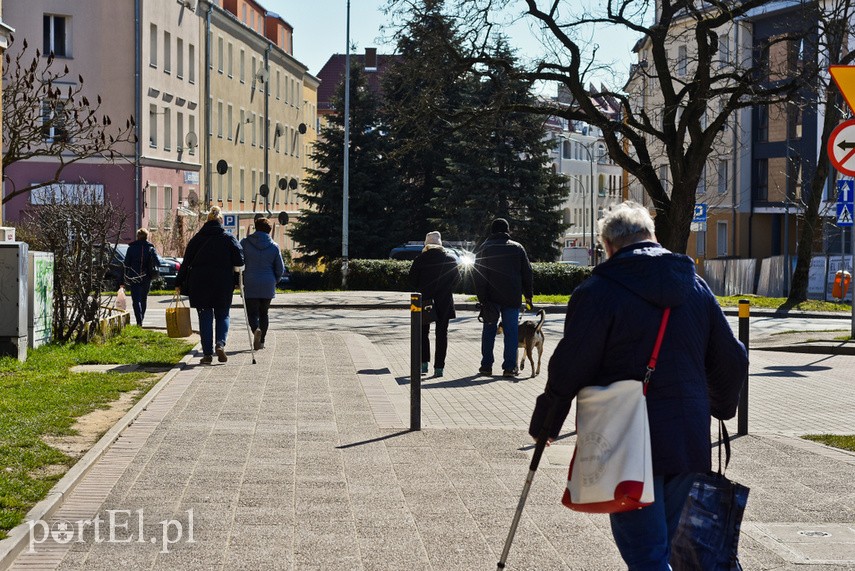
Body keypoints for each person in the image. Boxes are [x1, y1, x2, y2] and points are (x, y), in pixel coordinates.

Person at [528, 201, 748, 570]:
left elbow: (570, 365)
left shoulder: (598, 290)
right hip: (687, 435)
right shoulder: (695, 286)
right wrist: (720, 406)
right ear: (652, 236)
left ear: (609, 246)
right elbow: (733, 357)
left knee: (647, 555)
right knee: (659, 546)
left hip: (625, 437)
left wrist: (547, 423)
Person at [175, 206, 244, 364]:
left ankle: (207, 354)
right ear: (221, 220)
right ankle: (220, 343)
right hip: (223, 282)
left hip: (200, 283)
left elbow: (186, 263)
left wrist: (178, 282)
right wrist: (239, 279)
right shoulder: (228, 238)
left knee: (205, 316)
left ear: (207, 220)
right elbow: (240, 260)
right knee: (223, 314)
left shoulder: (197, 239)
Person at [473, 218, 533, 377]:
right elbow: (527, 273)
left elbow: (478, 275)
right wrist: (528, 296)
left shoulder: (484, 248)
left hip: (490, 298)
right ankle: (509, 367)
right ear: (507, 231)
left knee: (489, 331)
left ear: (492, 231)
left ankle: (486, 366)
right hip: (512, 296)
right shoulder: (517, 248)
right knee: (511, 332)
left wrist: (482, 298)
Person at [409, 231, 461, 377]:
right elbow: (457, 279)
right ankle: (439, 368)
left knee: (423, 333)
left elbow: (412, 280)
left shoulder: (420, 259)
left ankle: (424, 364)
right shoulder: (450, 259)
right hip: (444, 301)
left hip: (424, 301)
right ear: (440, 244)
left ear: (427, 244)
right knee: (442, 334)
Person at [240, 217, 285, 350]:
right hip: (268, 282)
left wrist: (240, 278)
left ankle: (255, 330)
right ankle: (262, 341)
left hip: (250, 282)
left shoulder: (245, 243)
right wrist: (274, 280)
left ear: (255, 227)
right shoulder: (274, 246)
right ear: (269, 231)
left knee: (252, 313)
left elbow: (239, 261)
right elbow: (280, 268)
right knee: (264, 313)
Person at [123, 228, 161, 326]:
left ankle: (139, 321)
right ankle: (141, 319)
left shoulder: (131, 248)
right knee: (143, 299)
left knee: (136, 300)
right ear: (147, 236)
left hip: (134, 276)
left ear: (137, 237)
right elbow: (158, 262)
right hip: (146, 276)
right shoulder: (150, 248)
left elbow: (126, 263)